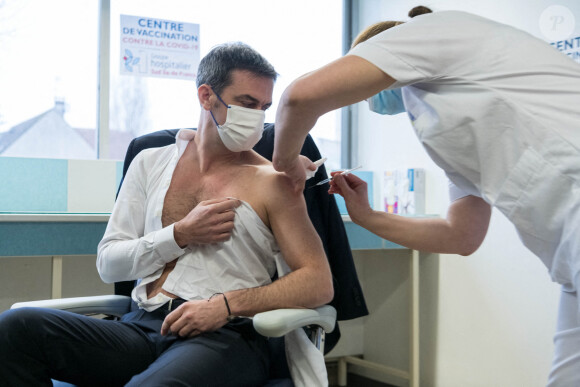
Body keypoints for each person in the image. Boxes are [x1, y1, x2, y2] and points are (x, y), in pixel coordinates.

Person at [272, 5, 580, 386]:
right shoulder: (444, 120)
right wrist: (366, 215)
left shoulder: (435, 31)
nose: (365, 100)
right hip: (568, 261)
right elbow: (461, 235)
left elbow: (298, 99)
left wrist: (284, 166)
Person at [0, 42, 333, 386]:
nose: (258, 119)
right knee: (14, 330)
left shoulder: (274, 182)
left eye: (264, 107)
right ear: (206, 96)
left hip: (224, 336)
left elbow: (318, 282)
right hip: (143, 328)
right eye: (247, 104)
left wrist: (225, 305)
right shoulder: (150, 162)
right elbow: (109, 264)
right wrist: (180, 235)